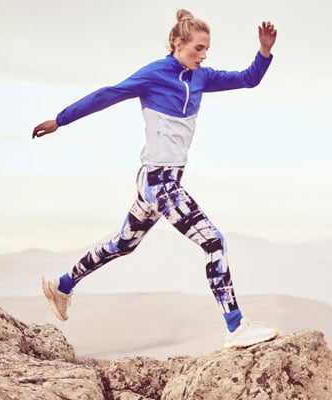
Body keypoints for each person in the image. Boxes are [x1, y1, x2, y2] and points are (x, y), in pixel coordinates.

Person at [32, 9, 279, 349]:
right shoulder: (155, 74)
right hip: (160, 183)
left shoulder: (202, 77)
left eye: (207, 49)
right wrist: (60, 120)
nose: (204, 55)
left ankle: (62, 285)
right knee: (213, 242)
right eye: (198, 48)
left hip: (156, 182)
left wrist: (264, 51)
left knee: (124, 244)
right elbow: (107, 94)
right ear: (178, 43)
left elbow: (248, 79)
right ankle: (236, 327)